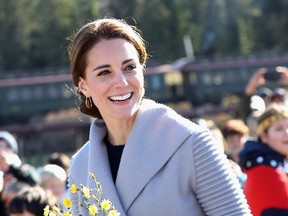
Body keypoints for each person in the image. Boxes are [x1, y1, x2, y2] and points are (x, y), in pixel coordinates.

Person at [67, 18, 251, 216]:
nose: (121, 82)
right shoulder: (81, 165)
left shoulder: (193, 143)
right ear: (84, 86)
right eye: (105, 72)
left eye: (129, 67)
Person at [238, 103, 288, 216]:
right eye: (279, 129)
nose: (287, 133)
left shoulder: (274, 166)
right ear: (264, 136)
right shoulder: (265, 171)